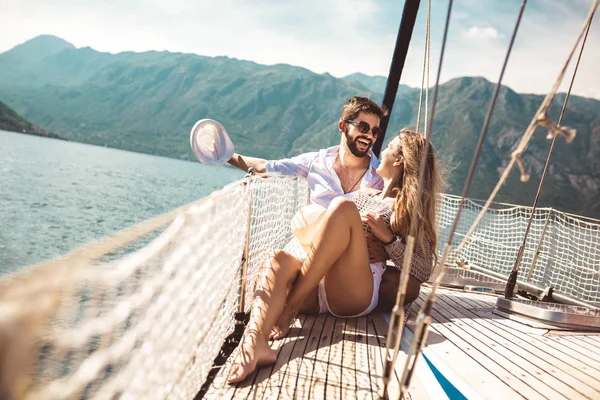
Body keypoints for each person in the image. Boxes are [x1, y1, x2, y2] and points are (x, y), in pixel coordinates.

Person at [228, 129, 443, 383]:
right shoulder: (364, 194)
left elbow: (423, 270)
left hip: (353, 292)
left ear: (398, 160)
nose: (380, 151)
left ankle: (289, 309)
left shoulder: (405, 210)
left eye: (388, 148)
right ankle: (254, 346)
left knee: (342, 207)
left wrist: (388, 240)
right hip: (318, 283)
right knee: (278, 259)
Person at [228, 96, 414, 311]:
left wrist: (387, 249)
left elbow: (398, 223)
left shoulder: (382, 175)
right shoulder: (316, 162)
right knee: (264, 278)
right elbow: (266, 167)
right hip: (310, 253)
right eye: (363, 127)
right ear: (343, 126)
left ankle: (295, 308)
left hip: (350, 269)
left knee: (403, 286)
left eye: (375, 131)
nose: (369, 135)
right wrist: (227, 156)